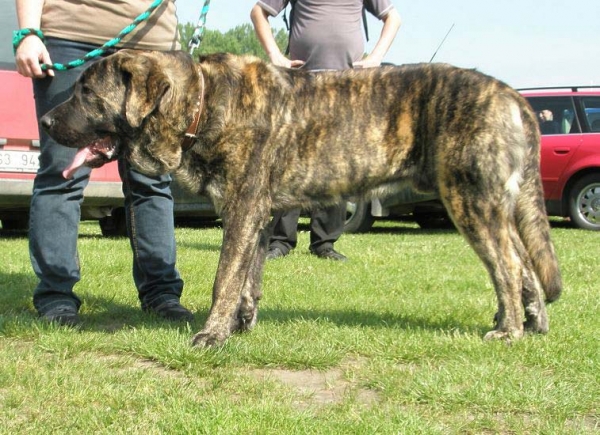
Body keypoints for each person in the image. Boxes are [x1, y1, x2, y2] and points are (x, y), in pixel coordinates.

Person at [14, 0, 192, 325]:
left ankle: (162, 294)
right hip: (72, 33)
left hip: (152, 42)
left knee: (152, 178)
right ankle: (56, 299)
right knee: (63, 171)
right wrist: (28, 31)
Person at [250, 0, 401, 261]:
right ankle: (281, 241)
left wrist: (375, 58)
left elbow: (393, 18)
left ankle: (325, 243)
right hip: (301, 83)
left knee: (336, 165)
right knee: (290, 164)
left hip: (347, 86)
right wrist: (275, 56)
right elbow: (258, 12)